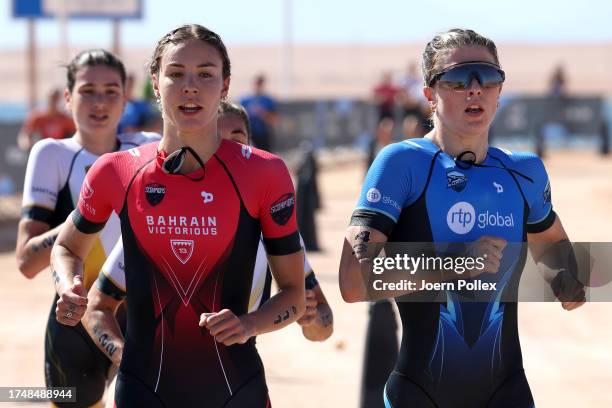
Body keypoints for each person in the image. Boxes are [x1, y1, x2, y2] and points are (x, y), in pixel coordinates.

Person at [50, 24, 305, 408]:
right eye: (176, 74)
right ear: (155, 82)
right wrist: (68, 284)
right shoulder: (115, 171)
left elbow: (294, 295)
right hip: (142, 389)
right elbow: (67, 246)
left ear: (225, 86)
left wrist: (249, 324)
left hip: (236, 389)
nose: (190, 86)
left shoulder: (264, 173)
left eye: (205, 74)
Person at [339, 28, 585, 408]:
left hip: (507, 392)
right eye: (457, 79)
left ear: (500, 92)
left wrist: (566, 279)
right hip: (420, 393)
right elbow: (353, 281)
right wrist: (456, 262)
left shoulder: (525, 172)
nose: (475, 89)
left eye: (487, 78)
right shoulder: (402, 163)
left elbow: (554, 249)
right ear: (428, 95)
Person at [83, 102, 332, 363]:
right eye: (218, 143)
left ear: (252, 148)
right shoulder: (161, 223)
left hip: (236, 384)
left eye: (237, 141)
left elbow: (324, 327)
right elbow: (97, 307)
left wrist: (310, 319)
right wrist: (126, 361)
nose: (228, 154)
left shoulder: (271, 229)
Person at [16, 49, 159, 408]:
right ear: (67, 98)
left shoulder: (147, 149)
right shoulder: (52, 155)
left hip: (141, 320)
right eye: (87, 90)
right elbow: (26, 261)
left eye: (111, 91)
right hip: (74, 322)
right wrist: (85, 215)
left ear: (125, 100)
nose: (100, 102)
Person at [240, 74, 278, 151]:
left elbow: (274, 119)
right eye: (257, 83)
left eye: (260, 83)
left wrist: (263, 113)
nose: (258, 86)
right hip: (249, 133)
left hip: (263, 134)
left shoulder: (268, 100)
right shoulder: (245, 100)